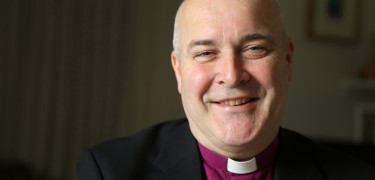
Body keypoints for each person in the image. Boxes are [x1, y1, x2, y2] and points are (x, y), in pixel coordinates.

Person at [77, 0, 375, 179]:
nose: (232, 76)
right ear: (178, 70)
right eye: (206, 53)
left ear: (287, 59)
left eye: (255, 48)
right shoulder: (109, 171)